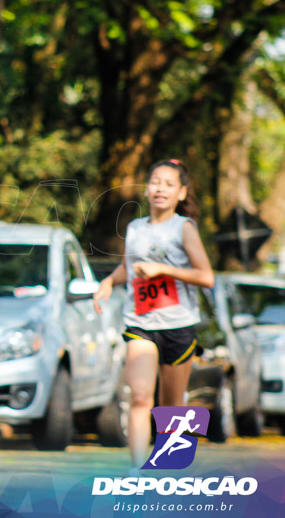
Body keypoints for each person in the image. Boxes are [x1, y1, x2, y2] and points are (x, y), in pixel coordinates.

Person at [93, 159, 213, 470]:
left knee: (172, 407)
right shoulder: (134, 228)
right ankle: (136, 471)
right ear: (147, 188)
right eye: (155, 182)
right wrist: (109, 281)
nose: (160, 188)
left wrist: (163, 269)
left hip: (178, 324)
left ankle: (170, 470)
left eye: (169, 184)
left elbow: (206, 276)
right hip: (140, 322)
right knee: (140, 398)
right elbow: (127, 267)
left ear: (181, 192)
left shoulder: (183, 228)